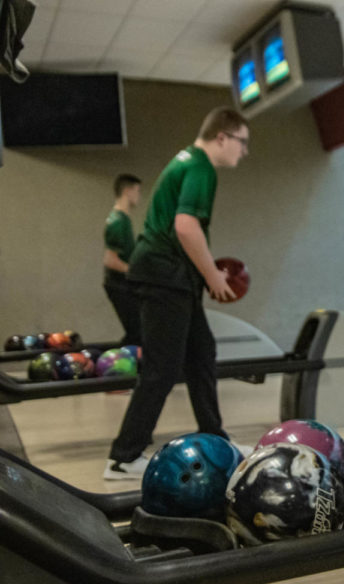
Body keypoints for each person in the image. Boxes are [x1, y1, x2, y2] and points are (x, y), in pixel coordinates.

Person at [105, 107, 252, 479]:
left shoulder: (185, 160)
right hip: (163, 277)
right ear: (223, 136)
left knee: (202, 354)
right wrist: (213, 276)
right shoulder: (201, 165)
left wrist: (205, 274)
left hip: (169, 277)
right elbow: (186, 228)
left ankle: (215, 438)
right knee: (162, 369)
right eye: (242, 142)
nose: (244, 151)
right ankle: (124, 457)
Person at [103, 173, 143, 346]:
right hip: (119, 285)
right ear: (128, 191)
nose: (139, 196)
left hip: (124, 284)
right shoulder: (117, 222)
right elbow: (110, 261)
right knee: (138, 333)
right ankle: (117, 367)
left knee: (139, 333)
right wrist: (137, 272)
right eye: (137, 191)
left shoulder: (123, 220)